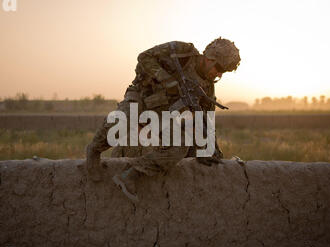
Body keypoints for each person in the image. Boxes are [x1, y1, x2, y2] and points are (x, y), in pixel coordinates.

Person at [86, 37, 241, 201]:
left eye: (223, 73)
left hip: (162, 113)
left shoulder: (207, 88)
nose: (218, 74)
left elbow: (207, 121)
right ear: (209, 59)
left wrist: (209, 150)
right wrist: (167, 80)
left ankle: (131, 174)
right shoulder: (182, 53)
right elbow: (144, 58)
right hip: (142, 95)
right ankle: (94, 150)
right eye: (218, 68)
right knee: (124, 118)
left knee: (181, 144)